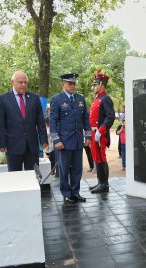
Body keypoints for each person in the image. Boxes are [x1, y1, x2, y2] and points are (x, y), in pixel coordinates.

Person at [50, 73, 91, 204]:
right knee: (64, 169)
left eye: (74, 83)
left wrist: (88, 136)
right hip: (64, 141)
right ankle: (66, 193)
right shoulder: (56, 99)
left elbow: (85, 118)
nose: (73, 86)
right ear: (63, 84)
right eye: (70, 83)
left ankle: (75, 192)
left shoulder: (80, 98)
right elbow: (53, 121)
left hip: (78, 140)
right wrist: (56, 140)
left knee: (77, 169)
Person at [0, 70, 48, 171]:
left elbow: (40, 121)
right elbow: (0, 123)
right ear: (13, 82)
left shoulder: (34, 98)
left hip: (31, 145)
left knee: (34, 175)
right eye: (20, 82)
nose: (23, 85)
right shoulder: (3, 99)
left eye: (25, 82)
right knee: (15, 178)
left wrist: (43, 139)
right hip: (13, 145)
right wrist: (1, 143)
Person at [88, 70, 115, 194]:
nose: (93, 87)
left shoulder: (105, 99)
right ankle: (100, 182)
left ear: (101, 85)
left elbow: (110, 116)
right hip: (94, 133)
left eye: (95, 84)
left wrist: (101, 130)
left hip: (100, 134)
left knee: (101, 157)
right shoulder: (97, 99)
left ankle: (104, 184)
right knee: (96, 157)